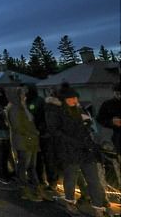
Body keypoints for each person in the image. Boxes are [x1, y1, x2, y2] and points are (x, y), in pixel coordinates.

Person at [52, 86, 110, 217]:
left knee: (93, 179)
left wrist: (88, 124)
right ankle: (69, 202)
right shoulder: (59, 113)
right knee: (71, 178)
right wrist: (74, 139)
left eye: (75, 97)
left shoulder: (81, 109)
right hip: (70, 151)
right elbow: (57, 132)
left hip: (87, 151)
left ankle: (98, 207)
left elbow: (90, 128)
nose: (73, 100)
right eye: (70, 98)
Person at [7, 86, 45, 202]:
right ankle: (25, 190)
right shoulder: (14, 109)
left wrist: (24, 107)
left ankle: (36, 189)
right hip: (23, 141)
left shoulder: (22, 108)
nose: (25, 96)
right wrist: (32, 133)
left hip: (31, 140)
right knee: (24, 166)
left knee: (32, 166)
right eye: (23, 95)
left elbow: (30, 119)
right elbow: (17, 126)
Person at [96, 84, 121, 156]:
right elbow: (100, 119)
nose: (120, 96)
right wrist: (111, 122)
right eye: (118, 94)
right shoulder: (108, 104)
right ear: (114, 93)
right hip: (117, 137)